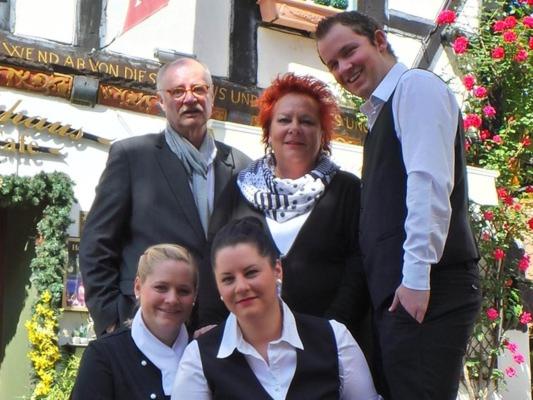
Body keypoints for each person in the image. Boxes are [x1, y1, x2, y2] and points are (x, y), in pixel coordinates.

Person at [316, 11, 482, 400]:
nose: (343, 68)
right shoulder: (381, 113)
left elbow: (428, 185)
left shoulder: (415, 88)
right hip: (406, 296)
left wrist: (416, 279)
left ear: (379, 39)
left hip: (427, 291)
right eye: (332, 63)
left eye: (348, 51)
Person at [79, 58, 250, 336]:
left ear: (212, 96)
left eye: (198, 89)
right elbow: (96, 244)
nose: (189, 99)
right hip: (144, 324)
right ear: (160, 101)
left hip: (220, 329)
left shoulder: (240, 166)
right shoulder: (132, 157)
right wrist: (110, 318)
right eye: (177, 91)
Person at [198, 72, 369, 340]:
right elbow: (213, 257)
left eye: (307, 121)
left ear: (322, 134)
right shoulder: (239, 189)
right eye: (284, 120)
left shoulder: (348, 191)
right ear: (269, 131)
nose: (295, 128)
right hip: (246, 344)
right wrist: (210, 322)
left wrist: (335, 327)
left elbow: (359, 265)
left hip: (327, 343)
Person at [172, 217, 381, 400]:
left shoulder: (335, 339)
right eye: (228, 279)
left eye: (251, 272)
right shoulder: (199, 357)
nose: (241, 287)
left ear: (277, 270)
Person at [72, 244, 198, 400]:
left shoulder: (204, 353)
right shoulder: (104, 356)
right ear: (138, 287)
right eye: (161, 287)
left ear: (195, 296)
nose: (172, 299)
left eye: (183, 291)